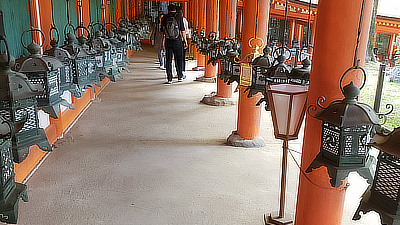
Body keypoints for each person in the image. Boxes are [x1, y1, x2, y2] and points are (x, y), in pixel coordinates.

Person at [160, 4, 188, 84]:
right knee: (178, 58)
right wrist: (185, 41)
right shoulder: (179, 17)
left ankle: (169, 78)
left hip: (168, 41)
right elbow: (182, 30)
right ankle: (179, 76)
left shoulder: (164, 18)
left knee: (168, 60)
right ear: (175, 10)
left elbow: (162, 32)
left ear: (168, 10)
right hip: (177, 41)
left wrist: (162, 42)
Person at [176, 6, 190, 73]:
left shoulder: (174, 19)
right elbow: (185, 31)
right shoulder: (184, 20)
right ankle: (182, 70)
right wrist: (186, 41)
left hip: (174, 40)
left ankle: (178, 71)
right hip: (182, 40)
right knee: (182, 56)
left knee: (176, 57)